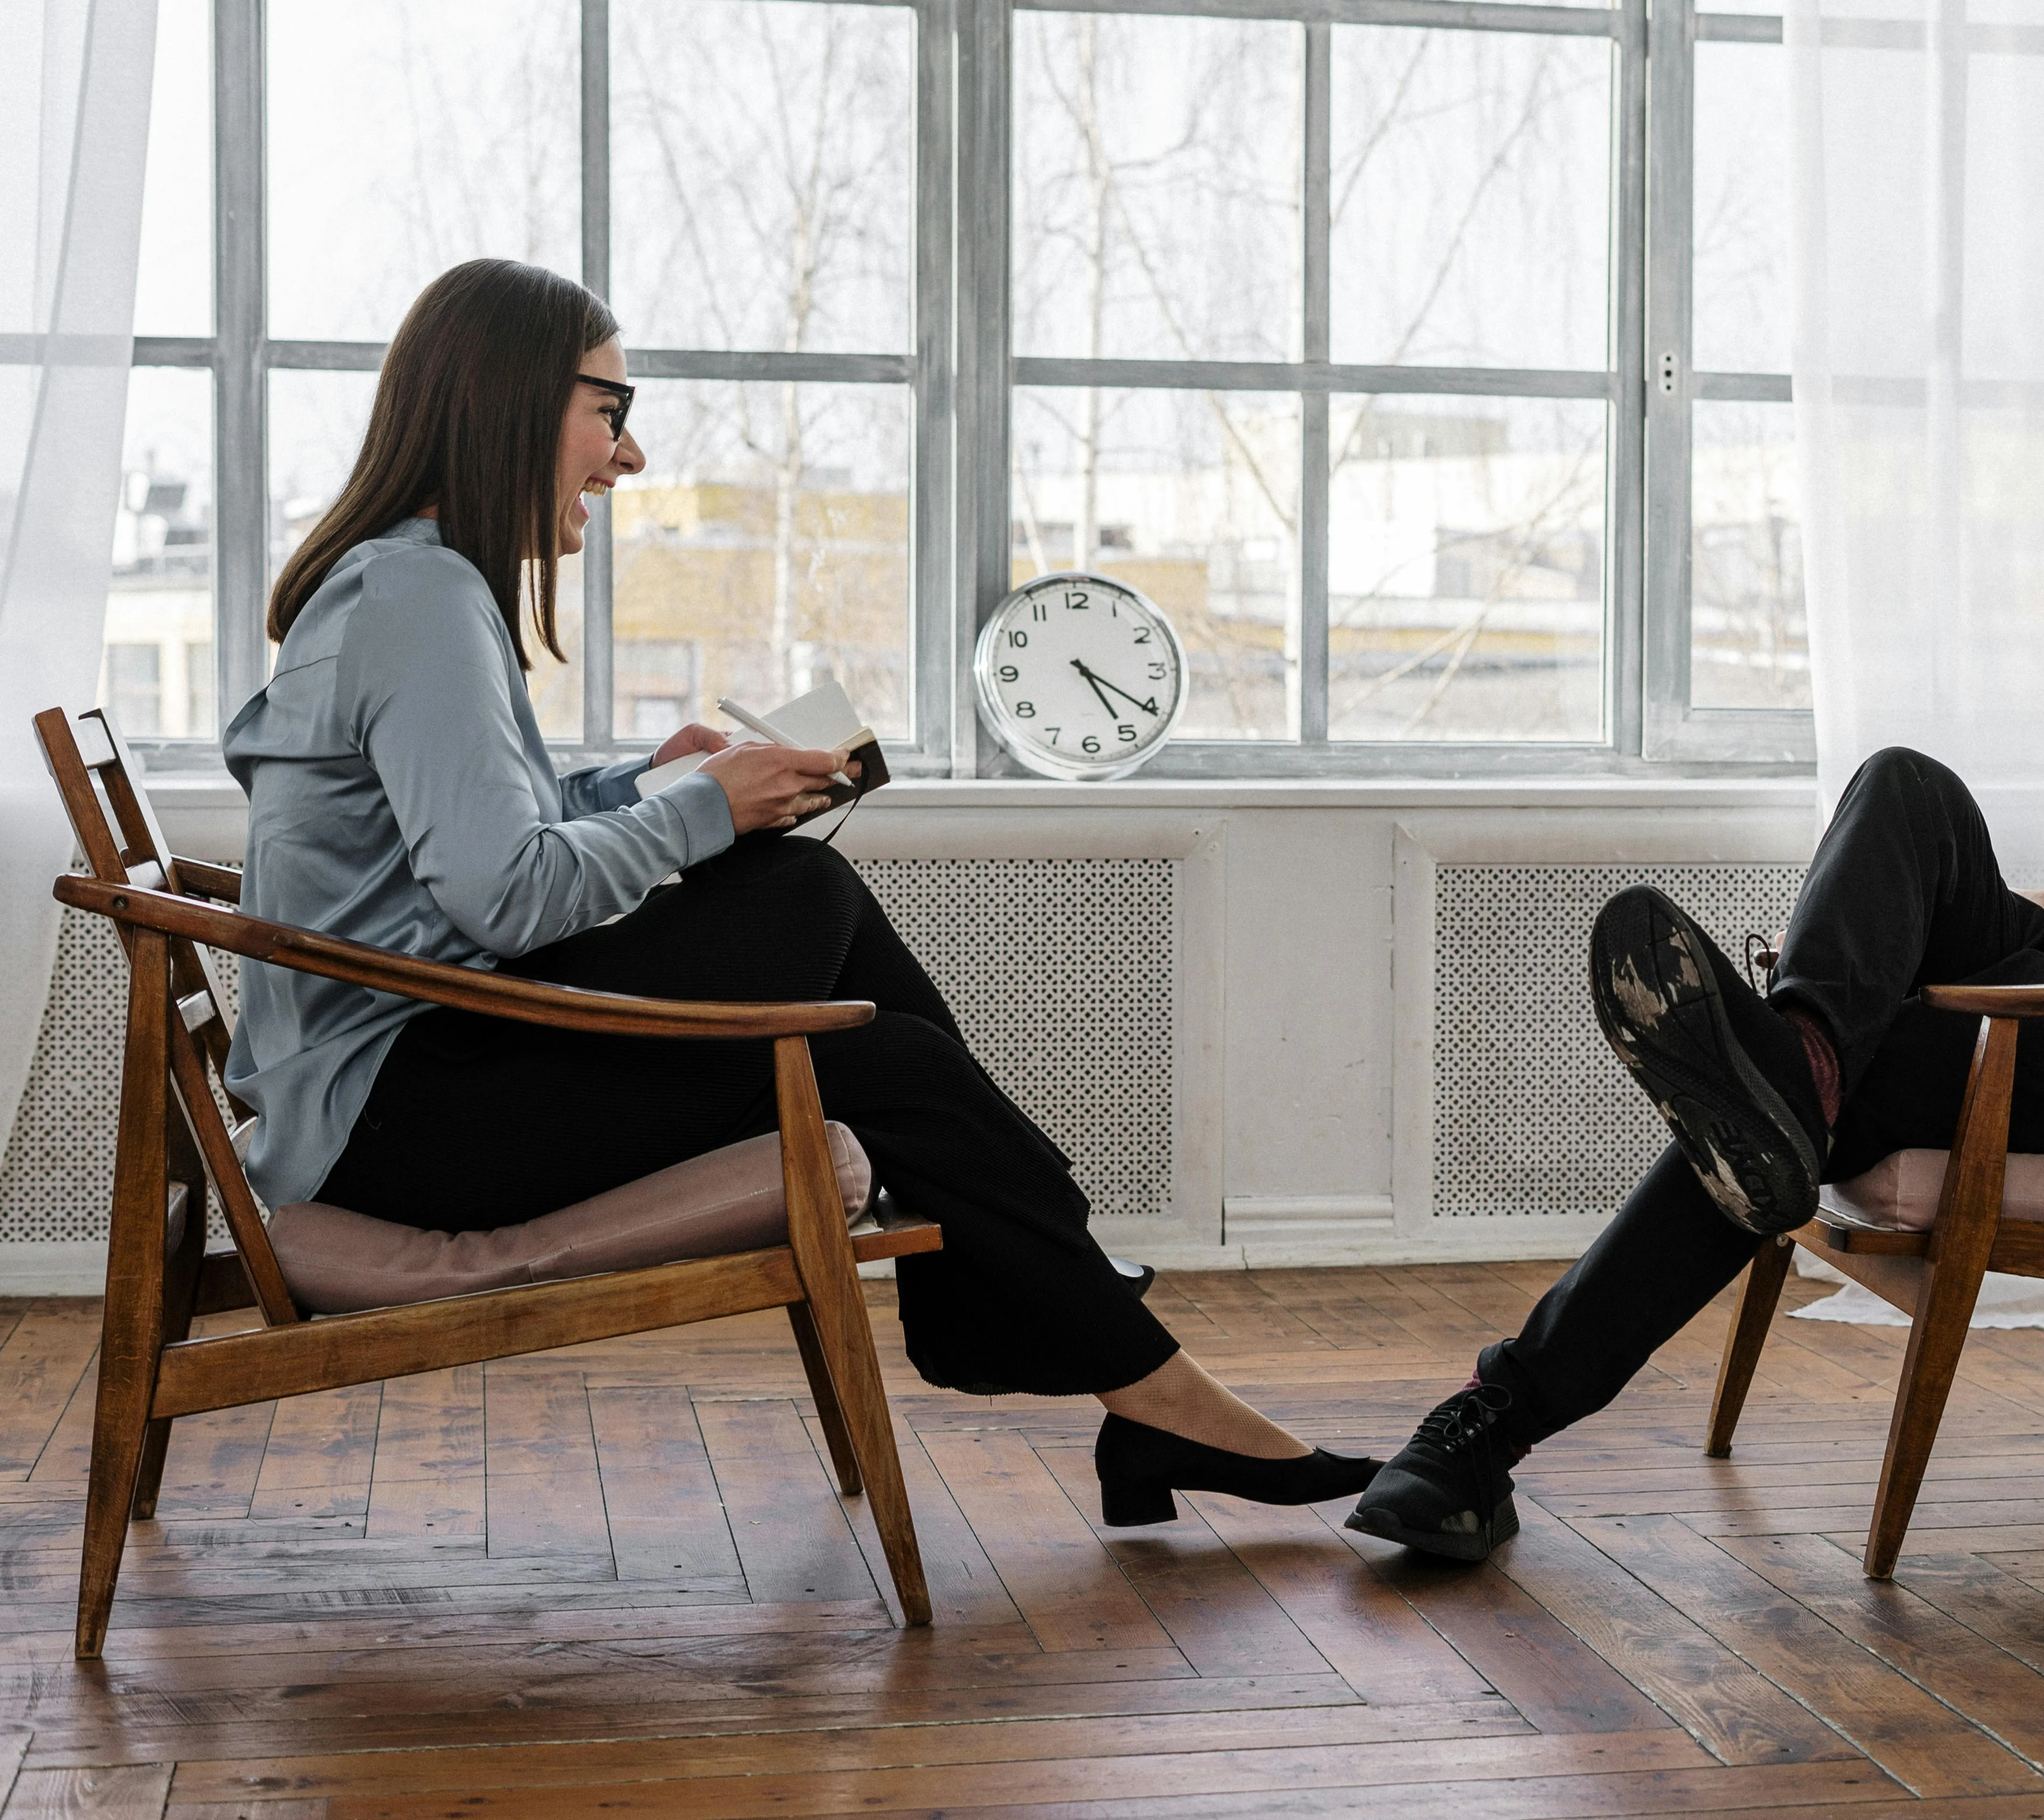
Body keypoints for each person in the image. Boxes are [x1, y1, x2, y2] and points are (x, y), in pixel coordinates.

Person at [224, 259, 1378, 1524]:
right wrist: (707, 809)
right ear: (514, 399)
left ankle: (1139, 1384)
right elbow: (502, 897)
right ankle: (1091, 1310)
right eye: (612, 407)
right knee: (801, 905)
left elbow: (453, 844)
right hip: (404, 1125)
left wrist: (637, 787)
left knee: (872, 1042)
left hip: (414, 1078)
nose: (631, 452)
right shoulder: (420, 595)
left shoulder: (404, 586)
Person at [1345, 425, 2044, 1559]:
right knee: (1901, 787)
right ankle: (1799, 1069)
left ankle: (1492, 1419)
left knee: (1804, 1069)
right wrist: (2019, 931)